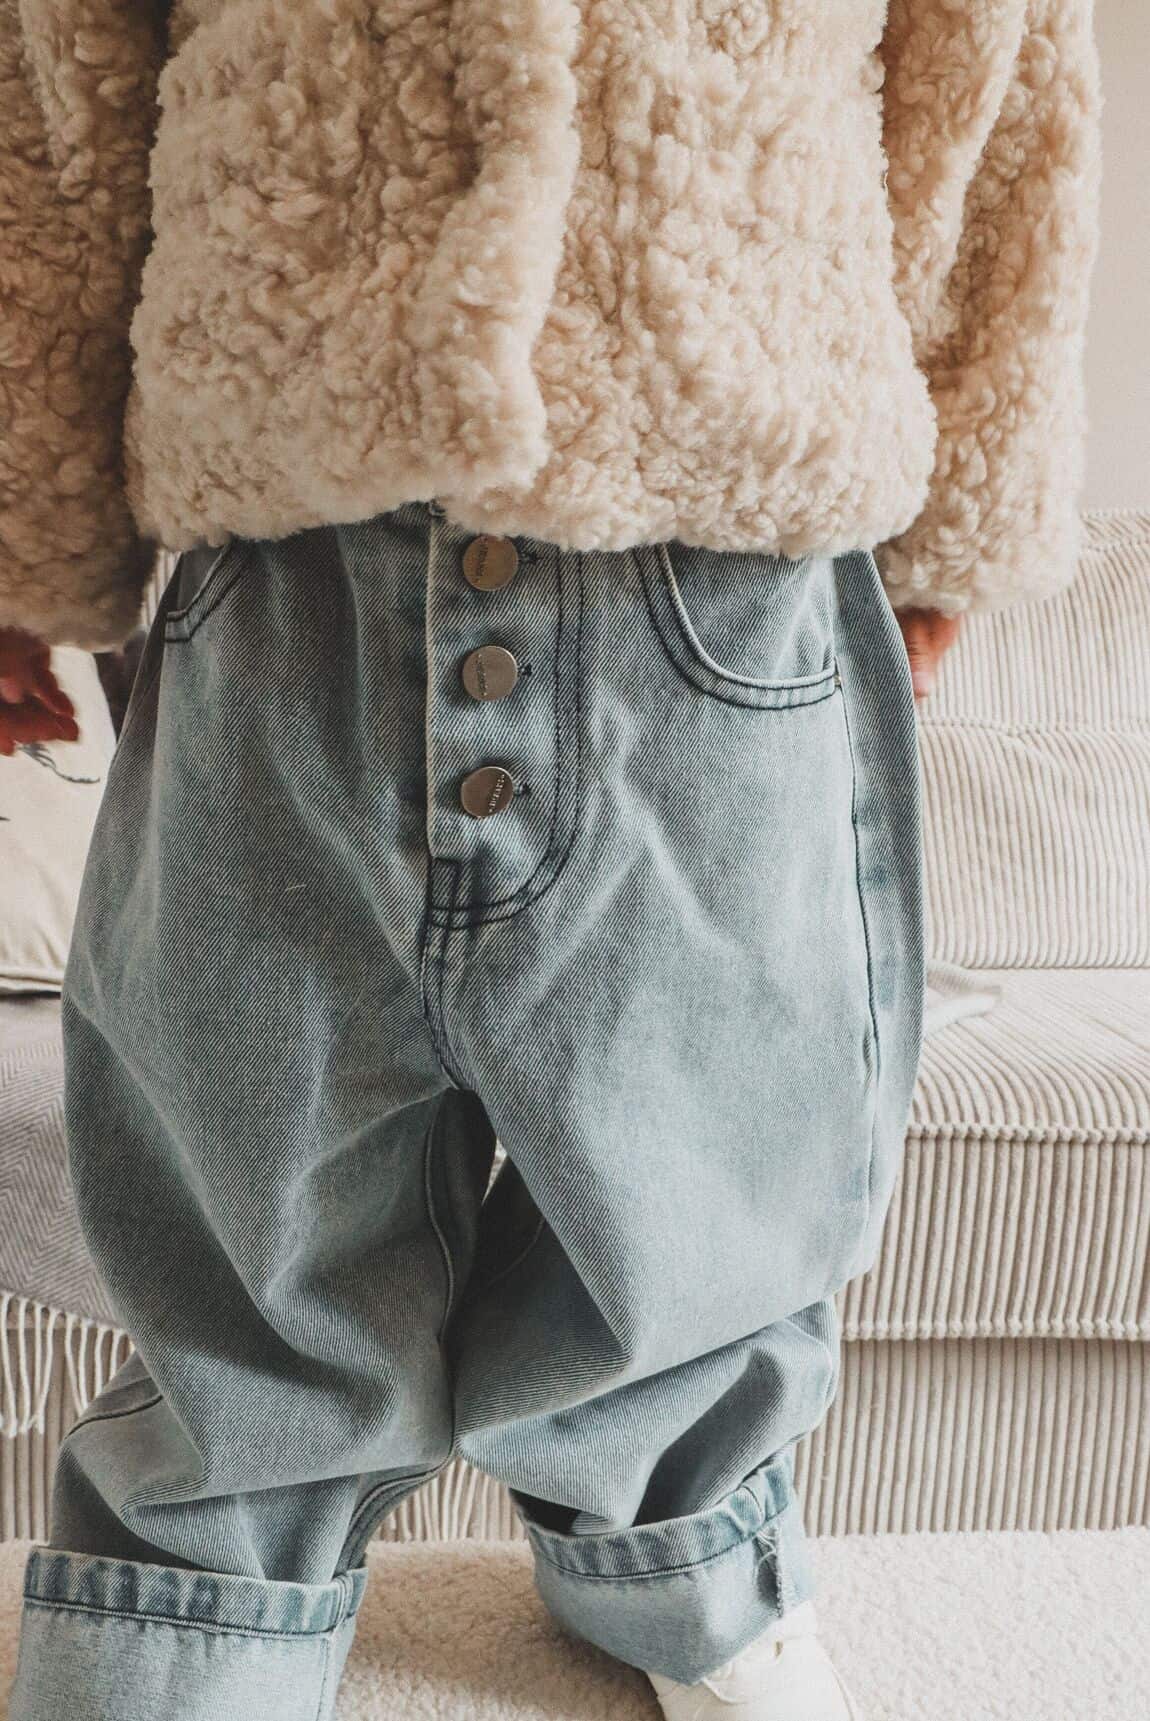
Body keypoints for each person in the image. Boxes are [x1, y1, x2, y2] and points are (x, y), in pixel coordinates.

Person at [0, 4, 1099, 1718]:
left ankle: (685, 1564)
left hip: (719, 540)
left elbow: (996, 82)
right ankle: (192, 1621)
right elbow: (59, 97)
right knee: (246, 1154)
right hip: (287, 549)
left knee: (710, 1160)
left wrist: (961, 509)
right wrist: (26, 524)